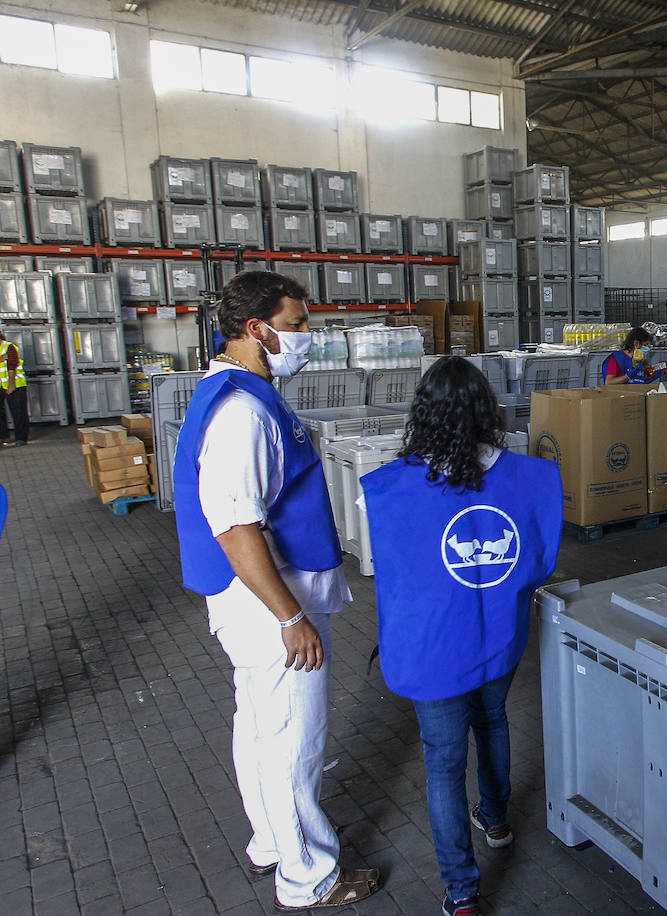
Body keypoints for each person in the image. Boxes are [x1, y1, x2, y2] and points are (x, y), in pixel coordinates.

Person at [171, 271, 379, 911]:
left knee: (261, 728)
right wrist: (292, 617)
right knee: (292, 739)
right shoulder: (241, 414)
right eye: (295, 325)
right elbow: (235, 527)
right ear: (256, 329)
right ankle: (308, 874)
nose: (307, 337)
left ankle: (271, 841)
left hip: (254, 605)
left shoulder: (235, 391)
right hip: (269, 609)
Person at [361, 357, 561, 916]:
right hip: (499, 635)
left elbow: (394, 571)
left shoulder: (389, 489)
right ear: (485, 409)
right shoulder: (528, 478)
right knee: (492, 720)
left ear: (422, 414)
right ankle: (495, 817)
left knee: (443, 763)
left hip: (434, 652)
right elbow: (539, 561)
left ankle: (463, 889)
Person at [0, 327, 29, 447]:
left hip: (15, 385)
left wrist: (11, 385)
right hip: (1, 385)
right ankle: (3, 437)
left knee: (18, 412)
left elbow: (11, 366)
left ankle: (21, 438)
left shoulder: (8, 347)